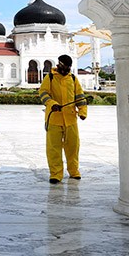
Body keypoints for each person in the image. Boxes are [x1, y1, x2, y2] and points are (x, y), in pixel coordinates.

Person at [40, 55, 88, 184]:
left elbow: (80, 96)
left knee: (73, 147)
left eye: (68, 67)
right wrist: (51, 103)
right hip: (54, 118)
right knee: (54, 148)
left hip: (71, 118)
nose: (66, 69)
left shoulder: (72, 79)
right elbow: (43, 93)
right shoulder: (49, 77)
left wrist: (83, 112)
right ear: (59, 64)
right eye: (64, 66)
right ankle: (55, 174)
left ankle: (74, 171)